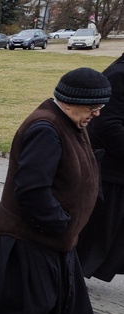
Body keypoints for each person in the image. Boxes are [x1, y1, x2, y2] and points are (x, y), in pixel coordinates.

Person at [0, 67, 110, 314]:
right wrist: (61, 224)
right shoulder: (46, 128)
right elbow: (31, 191)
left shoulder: (72, 122)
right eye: (94, 105)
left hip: (57, 243)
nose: (97, 112)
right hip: (31, 244)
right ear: (70, 100)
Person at [77, 55, 124, 282]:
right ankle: (65, 280)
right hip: (111, 172)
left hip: (115, 171)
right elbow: (107, 125)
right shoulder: (119, 75)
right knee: (95, 234)